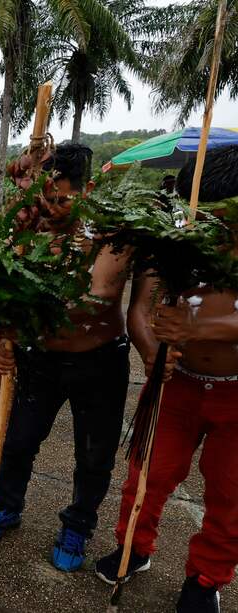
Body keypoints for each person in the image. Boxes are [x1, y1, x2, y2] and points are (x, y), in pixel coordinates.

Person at [0, 143, 133, 572]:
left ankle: (78, 525)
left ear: (84, 191)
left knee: (93, 455)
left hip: (99, 360)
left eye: (62, 199)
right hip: (40, 359)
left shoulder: (109, 232)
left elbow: (98, 296)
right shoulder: (27, 225)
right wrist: (3, 334)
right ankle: (8, 506)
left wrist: (24, 302)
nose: (52, 207)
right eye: (45, 198)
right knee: (18, 443)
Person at [94, 214, 238, 613]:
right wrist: (153, 353)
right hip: (177, 386)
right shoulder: (177, 242)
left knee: (231, 493)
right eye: (212, 217)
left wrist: (196, 328)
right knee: (148, 476)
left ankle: (206, 577)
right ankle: (133, 548)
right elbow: (141, 309)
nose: (219, 228)